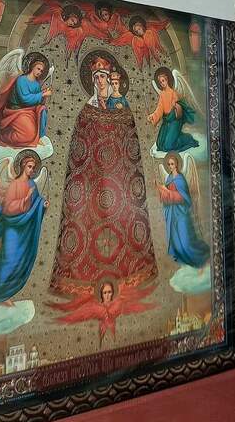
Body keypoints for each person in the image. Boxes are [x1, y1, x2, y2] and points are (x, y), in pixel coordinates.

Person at [49, 52, 158, 298]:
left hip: (121, 180)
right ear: (92, 79)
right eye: (97, 76)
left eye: (104, 76)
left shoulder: (123, 108)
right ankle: (80, 280)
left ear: (110, 79)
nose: (100, 80)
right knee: (80, 219)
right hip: (91, 181)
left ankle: (132, 273)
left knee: (129, 218)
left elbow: (131, 148)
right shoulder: (86, 110)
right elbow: (79, 150)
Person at [0, 155, 49, 316]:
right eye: (29, 166)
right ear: (22, 166)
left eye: (34, 167)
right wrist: (25, 199)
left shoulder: (32, 184)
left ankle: (3, 296)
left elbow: (36, 203)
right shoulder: (14, 184)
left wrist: (42, 205)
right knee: (6, 261)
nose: (32, 170)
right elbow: (7, 209)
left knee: (17, 263)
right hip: (12, 227)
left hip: (24, 230)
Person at [156, 154, 209, 268]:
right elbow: (165, 196)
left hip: (182, 213)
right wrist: (162, 191)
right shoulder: (169, 178)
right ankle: (184, 261)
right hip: (172, 213)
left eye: (172, 164)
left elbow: (185, 197)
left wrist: (169, 193)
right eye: (169, 164)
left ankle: (198, 258)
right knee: (176, 242)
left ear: (177, 164)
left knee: (186, 243)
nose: (170, 166)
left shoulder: (180, 179)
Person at [0, 57, 51, 151]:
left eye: (41, 71)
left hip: (29, 111)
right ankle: (0, 139)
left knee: (42, 110)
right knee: (27, 135)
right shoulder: (21, 80)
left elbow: (37, 101)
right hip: (16, 110)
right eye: (38, 68)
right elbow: (24, 99)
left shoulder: (36, 84)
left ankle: (36, 138)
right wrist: (42, 94)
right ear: (32, 67)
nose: (39, 72)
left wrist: (43, 94)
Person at [148, 67, 199, 153]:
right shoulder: (162, 95)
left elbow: (178, 105)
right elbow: (159, 109)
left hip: (175, 120)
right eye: (160, 82)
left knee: (168, 146)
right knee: (160, 144)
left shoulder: (173, 93)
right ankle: (176, 136)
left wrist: (174, 104)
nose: (162, 83)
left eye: (163, 81)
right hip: (167, 121)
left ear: (167, 80)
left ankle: (187, 138)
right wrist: (152, 116)